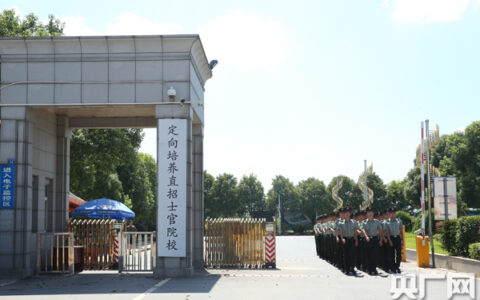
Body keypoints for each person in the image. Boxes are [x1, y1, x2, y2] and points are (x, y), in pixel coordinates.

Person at [361, 207, 384, 275]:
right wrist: (366, 236)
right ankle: (369, 269)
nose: (370, 214)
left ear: (373, 213)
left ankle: (374, 268)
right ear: (367, 214)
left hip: (375, 239)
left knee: (375, 255)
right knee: (368, 255)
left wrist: (381, 240)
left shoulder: (377, 222)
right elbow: (363, 230)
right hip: (368, 239)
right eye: (369, 212)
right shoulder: (364, 222)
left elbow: (380, 231)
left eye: (371, 212)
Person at [339, 207, 359, 275]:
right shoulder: (341, 223)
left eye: (348, 213)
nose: (347, 214)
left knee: (352, 255)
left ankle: (352, 268)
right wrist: (342, 238)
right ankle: (346, 269)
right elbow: (341, 232)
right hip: (345, 240)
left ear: (350, 214)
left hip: (352, 240)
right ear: (344, 215)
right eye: (345, 213)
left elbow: (355, 232)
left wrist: (356, 240)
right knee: (346, 255)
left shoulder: (354, 222)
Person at [386, 208, 403, 273]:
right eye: (391, 213)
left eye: (394, 213)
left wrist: (402, 240)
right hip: (391, 238)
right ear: (389, 214)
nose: (392, 214)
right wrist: (389, 241)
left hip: (398, 239)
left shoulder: (399, 221)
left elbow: (401, 232)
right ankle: (393, 267)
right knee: (391, 254)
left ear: (395, 214)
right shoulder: (387, 222)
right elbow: (387, 233)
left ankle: (397, 266)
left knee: (399, 254)